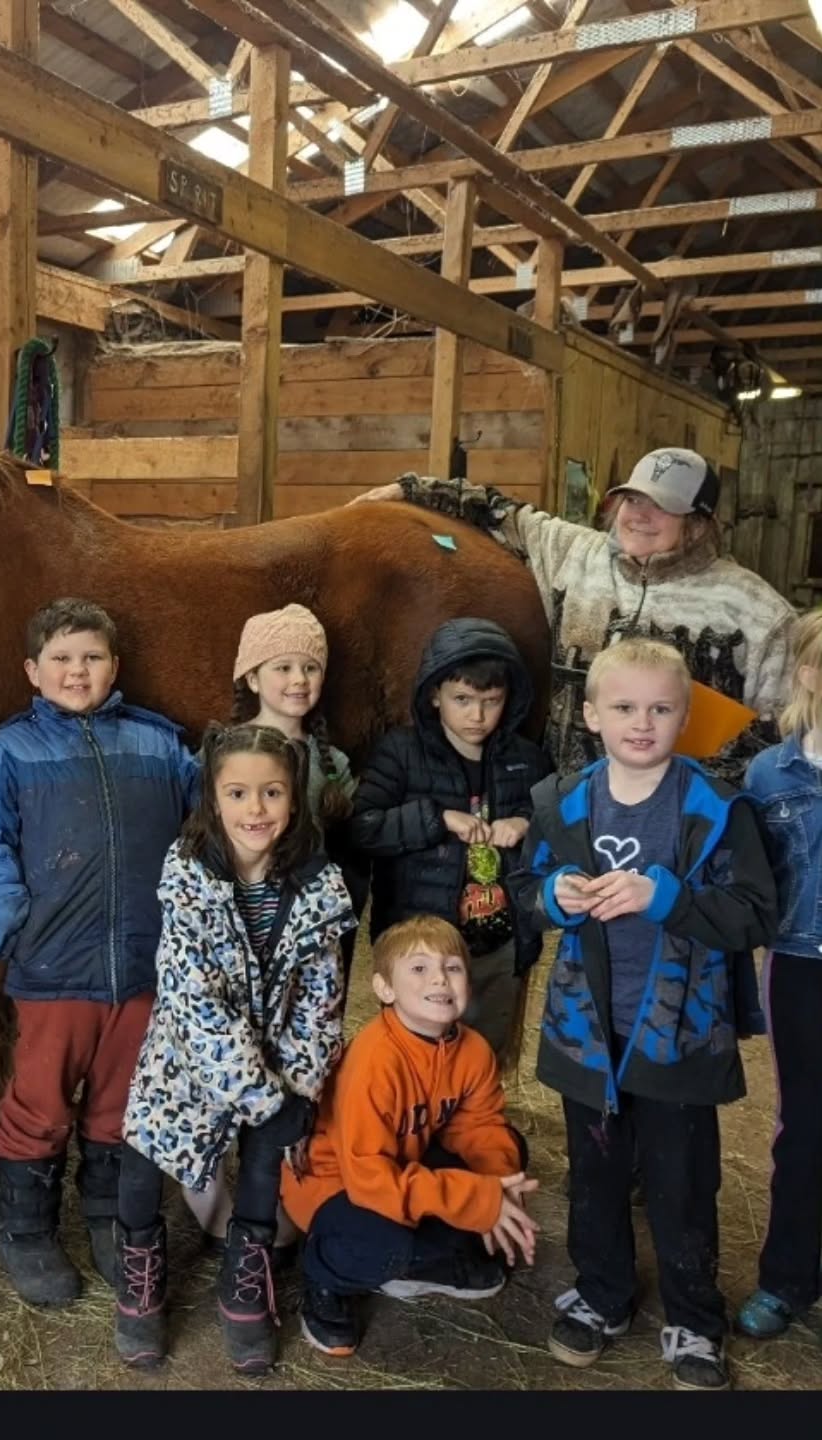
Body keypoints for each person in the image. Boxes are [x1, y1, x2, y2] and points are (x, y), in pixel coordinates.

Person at [514, 637, 776, 1391]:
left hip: (680, 1034)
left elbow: (754, 914)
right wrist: (553, 893)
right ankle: (602, 1296)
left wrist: (667, 898)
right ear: (591, 713)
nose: (641, 722)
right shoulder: (561, 801)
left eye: (661, 708)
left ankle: (695, 1318)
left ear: (684, 716)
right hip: (587, 1029)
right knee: (593, 1174)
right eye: (624, 707)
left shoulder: (717, 811)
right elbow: (525, 896)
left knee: (682, 1180)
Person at [0, 597, 197, 1308]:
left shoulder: (158, 746)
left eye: (91, 656)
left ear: (114, 666)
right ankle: (26, 1229)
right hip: (54, 965)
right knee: (38, 1102)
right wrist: (7, 923)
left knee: (122, 1104)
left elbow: (203, 825)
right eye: (61, 658)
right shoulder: (7, 752)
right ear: (33, 670)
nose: (77, 670)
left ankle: (106, 1221)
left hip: (144, 964)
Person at [112, 723, 355, 1374]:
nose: (256, 810)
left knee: (264, 1159)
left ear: (294, 801)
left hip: (276, 1050)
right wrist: (260, 1095)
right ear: (213, 799)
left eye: (272, 793)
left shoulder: (319, 884)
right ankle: (140, 1270)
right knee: (144, 1152)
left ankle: (245, 1275)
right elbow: (194, 997)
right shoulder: (187, 875)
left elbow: (321, 995)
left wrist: (301, 1081)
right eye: (239, 793)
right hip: (190, 1054)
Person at [349, 448, 795, 785]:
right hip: (572, 797)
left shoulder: (756, 610)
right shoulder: (575, 552)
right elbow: (499, 510)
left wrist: (708, 792)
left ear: (699, 523)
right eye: (632, 499)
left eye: (660, 505)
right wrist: (409, 490)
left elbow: (781, 729)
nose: (639, 515)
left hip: (682, 818)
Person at [183, 604, 362, 1253]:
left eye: (310, 667)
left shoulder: (331, 760)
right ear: (252, 675)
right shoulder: (219, 751)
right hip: (239, 931)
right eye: (283, 665)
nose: (298, 679)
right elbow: (198, 839)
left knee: (294, 1054)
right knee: (230, 1052)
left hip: (306, 936)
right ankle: (210, 1192)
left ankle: (280, 1185)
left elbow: (349, 847)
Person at [282, 915, 538, 1357]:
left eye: (452, 967)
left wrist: (498, 1190)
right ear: (384, 989)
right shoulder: (375, 1060)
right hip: (337, 1186)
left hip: (404, 1166)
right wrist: (477, 1201)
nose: (439, 977)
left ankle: (423, 1264)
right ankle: (325, 1280)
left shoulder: (472, 1049)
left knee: (511, 1149)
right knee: (387, 1240)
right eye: (418, 968)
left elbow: (480, 1127)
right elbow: (369, 1182)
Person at [348, 618, 551, 1060]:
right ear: (434, 695)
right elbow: (363, 827)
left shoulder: (528, 760)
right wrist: (437, 819)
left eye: (491, 701)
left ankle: (474, 1125)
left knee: (484, 1051)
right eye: (462, 699)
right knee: (417, 1049)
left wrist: (527, 825)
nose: (477, 716)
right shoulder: (400, 753)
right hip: (421, 943)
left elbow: (558, 829)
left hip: (499, 941)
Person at [737, 607, 822, 1340]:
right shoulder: (771, 774)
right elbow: (753, 879)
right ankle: (789, 1276)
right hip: (801, 963)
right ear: (807, 674)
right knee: (805, 1124)